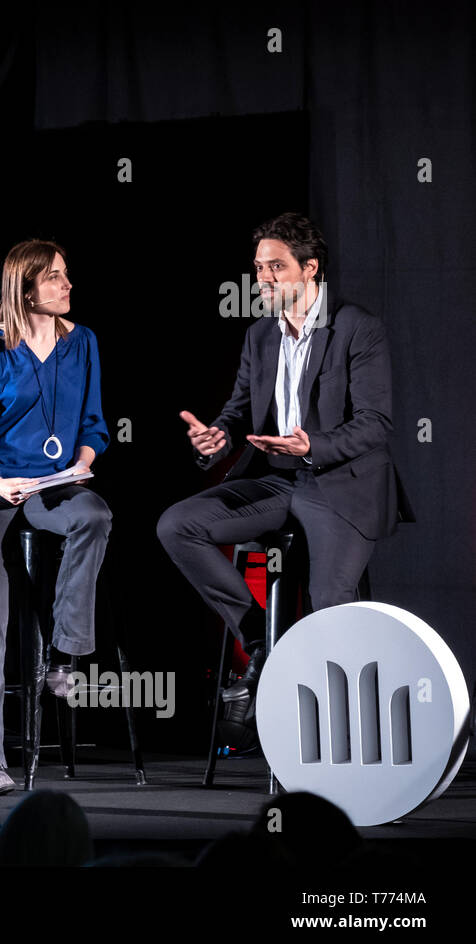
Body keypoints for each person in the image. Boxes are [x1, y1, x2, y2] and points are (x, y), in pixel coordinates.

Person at [157, 213, 409, 715]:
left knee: (328, 604)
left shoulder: (358, 328)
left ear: (310, 268)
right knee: (177, 525)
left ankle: (344, 731)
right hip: (276, 481)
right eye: (258, 267)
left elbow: (376, 422)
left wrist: (311, 445)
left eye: (276, 266)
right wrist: (216, 438)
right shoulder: (260, 336)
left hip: (341, 483)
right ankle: (262, 648)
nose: (264, 278)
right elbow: (238, 410)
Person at [0, 239, 112, 796]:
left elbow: (93, 423)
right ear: (25, 290)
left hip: (51, 488)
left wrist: (83, 463)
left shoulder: (83, 341)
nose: (68, 286)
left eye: (66, 275)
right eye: (55, 278)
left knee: (95, 515)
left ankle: (65, 655)